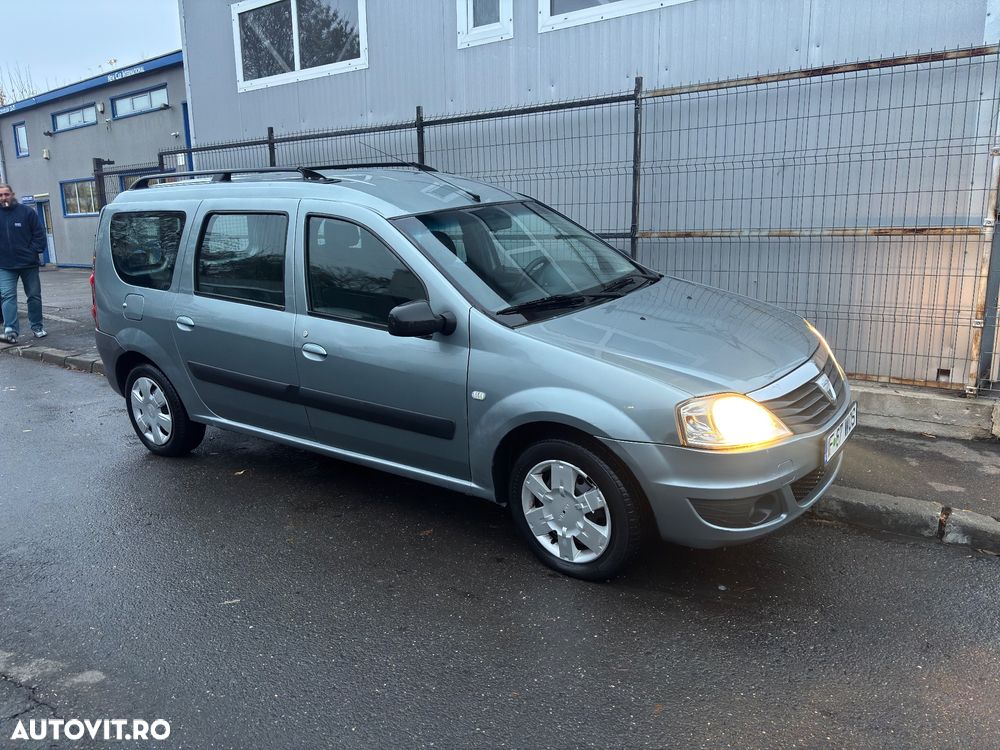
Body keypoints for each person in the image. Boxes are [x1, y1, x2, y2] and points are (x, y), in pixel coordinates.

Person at [0, 183, 47, 343]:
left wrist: (32, 251)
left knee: (34, 296)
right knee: (7, 296)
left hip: (29, 264)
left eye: (6, 194)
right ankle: (10, 330)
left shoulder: (27, 212)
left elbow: (39, 235)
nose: (3, 198)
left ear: (12, 194)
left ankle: (37, 327)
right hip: (5, 265)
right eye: (0, 195)